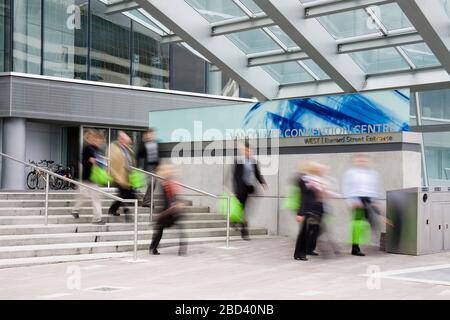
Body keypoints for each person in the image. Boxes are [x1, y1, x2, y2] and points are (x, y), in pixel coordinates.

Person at [341, 154, 384, 256]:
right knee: (358, 224)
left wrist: (376, 201)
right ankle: (355, 248)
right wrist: (351, 202)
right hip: (356, 200)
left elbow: (375, 188)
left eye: (363, 160)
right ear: (355, 161)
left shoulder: (372, 173)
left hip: (369, 199)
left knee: (374, 221)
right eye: (359, 160)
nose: (361, 162)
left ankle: (373, 239)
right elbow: (346, 188)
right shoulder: (350, 173)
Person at [232, 141, 268, 240]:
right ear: (244, 151)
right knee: (242, 210)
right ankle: (243, 231)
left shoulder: (253, 162)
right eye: (246, 151)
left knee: (243, 210)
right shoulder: (239, 161)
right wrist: (234, 190)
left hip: (248, 188)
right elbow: (235, 177)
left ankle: (236, 223)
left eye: (249, 151)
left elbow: (257, 173)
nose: (249, 153)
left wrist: (263, 183)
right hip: (240, 189)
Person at [149, 164, 187, 256]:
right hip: (165, 212)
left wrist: (179, 203)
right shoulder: (163, 183)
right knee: (159, 231)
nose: (170, 171)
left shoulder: (172, 182)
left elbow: (175, 196)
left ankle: (182, 250)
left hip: (173, 212)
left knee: (181, 230)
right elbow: (163, 200)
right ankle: (153, 248)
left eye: (171, 170)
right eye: (167, 170)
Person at [293, 162, 327, 261]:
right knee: (303, 232)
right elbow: (303, 197)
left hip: (312, 209)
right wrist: (300, 213)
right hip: (306, 209)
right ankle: (300, 253)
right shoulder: (304, 180)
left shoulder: (313, 180)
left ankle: (300, 253)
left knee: (306, 231)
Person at [72, 129, 105, 225]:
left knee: (83, 197)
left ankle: (75, 210)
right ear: (91, 138)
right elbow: (82, 160)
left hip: (92, 178)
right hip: (88, 178)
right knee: (95, 198)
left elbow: (99, 162)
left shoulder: (96, 149)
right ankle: (97, 219)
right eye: (96, 139)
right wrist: (89, 161)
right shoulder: (87, 148)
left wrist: (101, 164)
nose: (99, 141)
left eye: (99, 140)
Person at [108, 131, 136, 219]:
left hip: (127, 176)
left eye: (127, 141)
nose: (127, 142)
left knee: (123, 195)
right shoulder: (114, 148)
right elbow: (112, 163)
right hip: (118, 176)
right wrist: (115, 175)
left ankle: (113, 209)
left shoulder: (128, 149)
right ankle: (126, 210)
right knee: (123, 194)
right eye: (125, 140)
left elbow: (131, 161)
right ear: (120, 139)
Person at [137, 128, 160, 207]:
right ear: (146, 134)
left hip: (154, 167)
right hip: (148, 167)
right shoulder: (143, 143)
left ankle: (147, 201)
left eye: (152, 134)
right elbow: (139, 154)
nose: (151, 135)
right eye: (149, 134)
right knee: (152, 183)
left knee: (153, 184)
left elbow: (157, 156)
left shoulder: (155, 143)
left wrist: (158, 166)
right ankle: (147, 201)